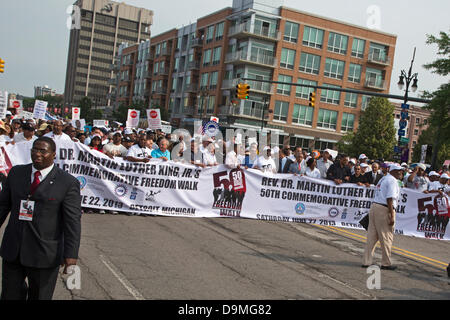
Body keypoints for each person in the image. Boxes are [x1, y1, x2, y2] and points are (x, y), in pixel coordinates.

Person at [0, 137, 82, 300]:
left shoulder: (67, 183)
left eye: (42, 151)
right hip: (13, 250)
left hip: (44, 254)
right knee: (9, 295)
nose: (37, 154)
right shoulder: (16, 173)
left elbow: (72, 222)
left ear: (53, 154)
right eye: (34, 150)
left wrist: (71, 255)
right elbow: (2, 206)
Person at [362, 164, 403, 270]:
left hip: (375, 206)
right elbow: (390, 198)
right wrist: (392, 214)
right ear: (393, 171)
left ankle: (367, 261)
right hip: (384, 208)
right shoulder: (393, 181)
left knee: (372, 236)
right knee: (386, 236)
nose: (400, 173)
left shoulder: (383, 179)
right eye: (398, 171)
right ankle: (386, 263)